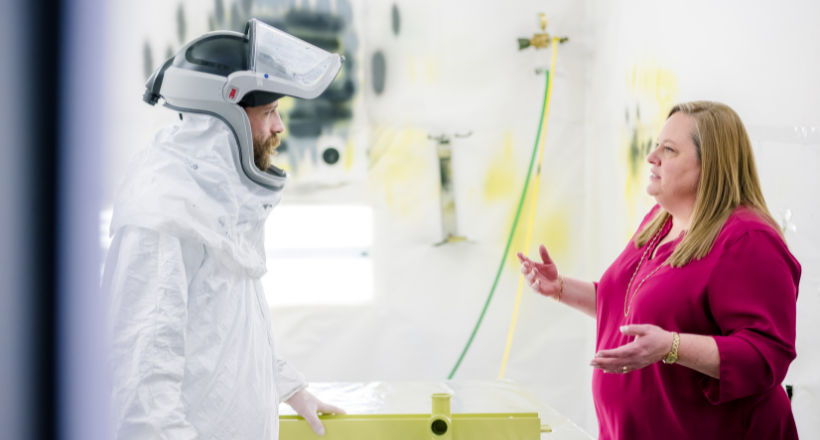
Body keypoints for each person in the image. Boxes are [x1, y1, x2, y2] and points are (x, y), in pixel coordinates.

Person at [104, 20, 345, 439]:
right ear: (224, 117)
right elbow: (145, 396)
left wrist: (288, 387)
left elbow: (223, 333)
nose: (279, 127)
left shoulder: (208, 205)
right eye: (268, 112)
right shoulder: (163, 216)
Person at [517, 101, 800, 439]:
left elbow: (765, 354)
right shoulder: (660, 220)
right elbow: (628, 306)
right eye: (656, 145)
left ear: (710, 165)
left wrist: (671, 346)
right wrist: (561, 287)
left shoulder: (748, 240)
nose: (652, 157)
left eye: (669, 150)